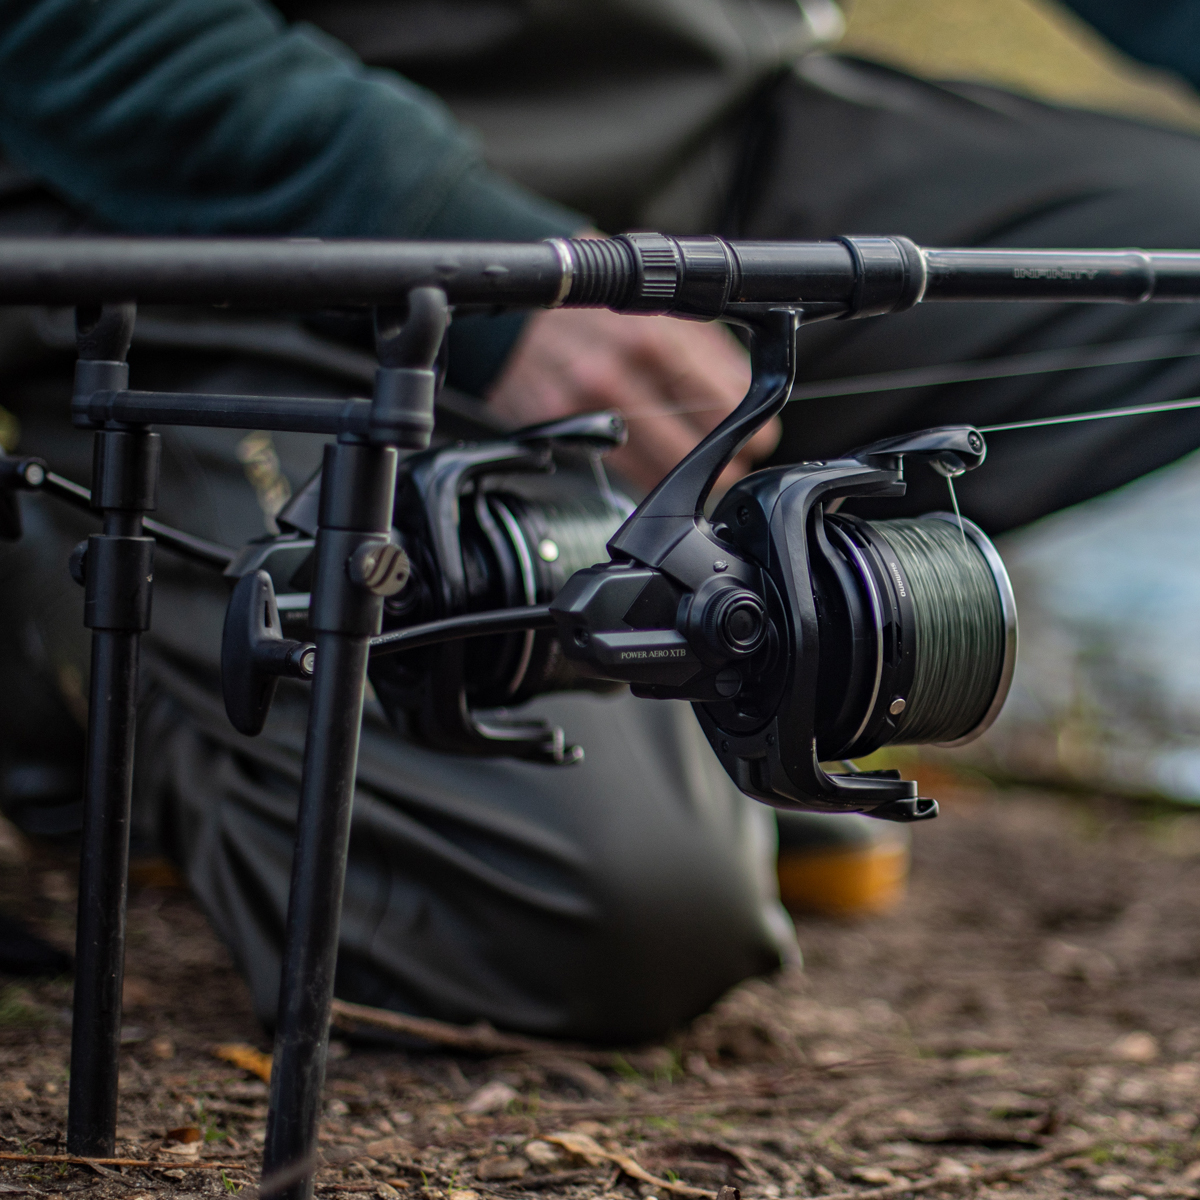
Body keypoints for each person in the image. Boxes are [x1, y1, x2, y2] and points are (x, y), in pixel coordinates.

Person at [0, 0, 1198, 1037]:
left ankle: (735, 682)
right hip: (237, 229)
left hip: (708, 144)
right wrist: (482, 262)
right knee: (624, 919)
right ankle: (83, 639)